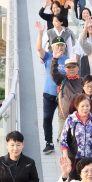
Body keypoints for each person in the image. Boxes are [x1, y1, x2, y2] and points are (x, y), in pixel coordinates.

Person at [35, 21, 66, 154]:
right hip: (48, 93)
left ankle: (62, 139)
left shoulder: (67, 60)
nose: (59, 48)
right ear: (52, 47)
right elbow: (38, 49)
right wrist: (40, 33)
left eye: (61, 46)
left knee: (64, 118)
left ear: (64, 47)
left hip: (63, 95)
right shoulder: (47, 57)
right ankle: (49, 142)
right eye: (56, 46)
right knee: (47, 118)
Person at [59, 93, 92, 169]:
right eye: (82, 106)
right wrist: (65, 157)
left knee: (90, 179)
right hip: (74, 159)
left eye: (87, 106)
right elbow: (63, 141)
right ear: (77, 106)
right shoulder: (70, 120)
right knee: (74, 181)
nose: (85, 108)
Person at [50, 47, 83, 135]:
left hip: (81, 117)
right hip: (64, 117)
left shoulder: (83, 81)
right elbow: (53, 72)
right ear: (65, 69)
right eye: (69, 67)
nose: (71, 69)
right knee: (63, 142)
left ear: (78, 68)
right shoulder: (62, 79)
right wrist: (55, 59)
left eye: (74, 67)